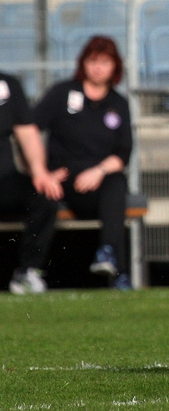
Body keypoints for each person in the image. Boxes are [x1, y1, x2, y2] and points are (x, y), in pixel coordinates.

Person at [33, 35, 133, 291]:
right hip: (61, 180)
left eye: (104, 61)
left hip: (96, 181)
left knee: (116, 183)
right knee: (41, 198)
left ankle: (110, 257)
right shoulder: (61, 93)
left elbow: (123, 153)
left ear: (115, 66)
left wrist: (98, 172)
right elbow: (29, 130)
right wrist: (42, 173)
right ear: (83, 63)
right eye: (93, 60)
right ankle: (30, 272)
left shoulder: (118, 104)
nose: (98, 67)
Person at [0, 71, 67, 294]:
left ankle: (27, 271)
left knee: (45, 195)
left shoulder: (8, 84)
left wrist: (40, 172)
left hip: (4, 180)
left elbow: (27, 132)